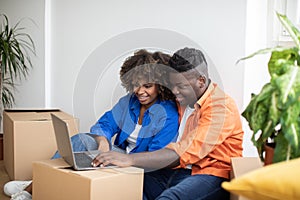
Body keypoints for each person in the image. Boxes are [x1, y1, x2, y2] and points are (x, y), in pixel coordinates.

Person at [4, 49, 179, 200]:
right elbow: (105, 124)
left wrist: (122, 159)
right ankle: (38, 182)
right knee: (82, 140)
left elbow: (155, 158)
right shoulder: (129, 102)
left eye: (147, 86)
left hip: (140, 168)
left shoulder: (168, 114)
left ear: (160, 85)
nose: (140, 92)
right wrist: (103, 143)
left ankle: (33, 186)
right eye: (135, 85)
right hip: (119, 155)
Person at [91, 47, 244, 200]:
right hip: (176, 171)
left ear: (201, 81)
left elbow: (183, 152)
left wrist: (129, 159)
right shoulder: (183, 99)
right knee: (124, 185)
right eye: (173, 85)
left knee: (170, 198)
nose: (175, 91)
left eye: (181, 86)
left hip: (211, 174)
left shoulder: (221, 107)